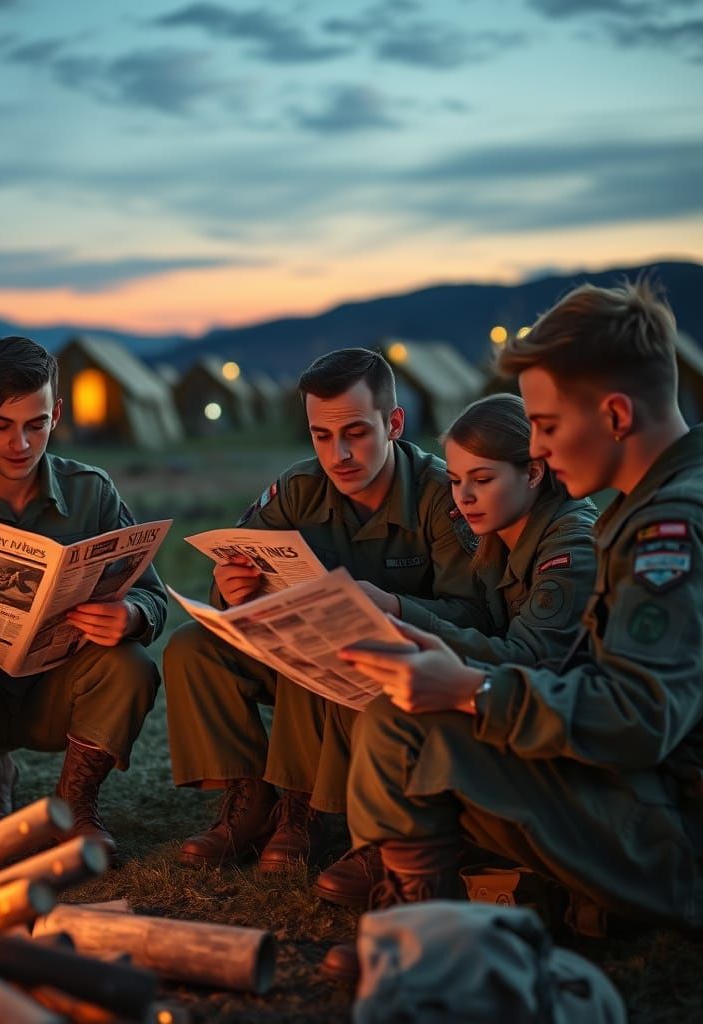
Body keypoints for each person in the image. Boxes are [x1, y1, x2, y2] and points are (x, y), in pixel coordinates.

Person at [336, 278, 703, 930]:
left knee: (403, 725)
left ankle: (426, 943)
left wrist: (473, 690)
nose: (535, 449)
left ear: (616, 416)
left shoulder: (667, 528)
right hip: (646, 792)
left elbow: (639, 716)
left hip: (672, 833)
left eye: (548, 426)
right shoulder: (658, 501)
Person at [164, 347, 489, 872]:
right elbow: (238, 560)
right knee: (193, 647)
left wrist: (394, 606)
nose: (338, 454)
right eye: (321, 436)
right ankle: (251, 802)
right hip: (310, 651)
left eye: (355, 433)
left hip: (398, 666)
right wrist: (231, 588)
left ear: (394, 424)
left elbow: (476, 615)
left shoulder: (438, 495)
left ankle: (305, 810)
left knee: (320, 650)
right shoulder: (300, 488)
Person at [313, 392, 599, 907]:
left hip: (566, 733)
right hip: (515, 708)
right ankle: (390, 844)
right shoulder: (500, 532)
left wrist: (410, 625)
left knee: (398, 705)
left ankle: (406, 858)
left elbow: (526, 659)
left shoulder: (570, 547)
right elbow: (479, 619)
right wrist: (398, 614)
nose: (463, 497)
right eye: (455, 480)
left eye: (482, 480)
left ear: (534, 473)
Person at [0, 336, 167, 863]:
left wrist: (129, 615)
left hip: (56, 689)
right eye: (1, 425)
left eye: (36, 424)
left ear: (56, 414)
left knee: (132, 666)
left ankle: (74, 804)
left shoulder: (91, 491)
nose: (21, 444)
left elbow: (153, 596)